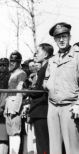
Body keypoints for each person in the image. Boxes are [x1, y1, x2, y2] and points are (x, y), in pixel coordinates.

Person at [45, 22, 79, 154]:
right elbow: (47, 78)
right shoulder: (52, 59)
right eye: (58, 37)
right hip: (52, 106)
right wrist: (48, 84)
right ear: (54, 40)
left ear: (70, 37)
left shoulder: (77, 56)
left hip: (70, 106)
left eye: (64, 36)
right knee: (54, 147)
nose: (61, 40)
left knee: (72, 147)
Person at [27, 43, 53, 154]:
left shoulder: (44, 68)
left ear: (46, 54)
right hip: (42, 110)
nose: (36, 54)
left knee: (42, 143)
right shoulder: (45, 67)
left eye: (38, 52)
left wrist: (27, 91)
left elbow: (38, 90)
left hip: (41, 110)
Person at [4, 51, 27, 154]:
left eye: (14, 61)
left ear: (19, 62)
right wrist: (6, 109)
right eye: (11, 61)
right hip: (9, 104)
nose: (12, 63)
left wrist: (16, 108)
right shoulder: (12, 73)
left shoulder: (21, 73)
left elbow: (20, 92)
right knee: (10, 132)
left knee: (15, 132)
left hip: (15, 105)